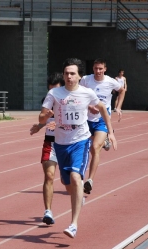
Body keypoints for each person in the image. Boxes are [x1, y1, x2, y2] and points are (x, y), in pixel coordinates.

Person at [39, 58, 117, 238]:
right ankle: (78, 196)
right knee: (67, 185)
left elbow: (103, 109)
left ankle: (73, 224)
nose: (69, 76)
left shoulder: (87, 92)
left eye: (72, 73)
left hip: (80, 141)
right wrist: (45, 117)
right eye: (66, 73)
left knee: (76, 177)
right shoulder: (54, 94)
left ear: (79, 76)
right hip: (60, 143)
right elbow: (41, 118)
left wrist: (111, 132)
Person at [79, 58, 125, 195]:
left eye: (100, 69)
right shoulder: (86, 80)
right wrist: (89, 106)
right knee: (87, 151)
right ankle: (80, 178)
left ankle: (90, 181)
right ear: (92, 69)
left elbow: (122, 90)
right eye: (95, 68)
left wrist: (118, 107)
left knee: (95, 148)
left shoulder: (111, 82)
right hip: (86, 120)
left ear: (105, 69)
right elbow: (78, 94)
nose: (98, 71)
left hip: (102, 120)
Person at [30, 72, 65, 225]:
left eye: (55, 90)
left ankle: (76, 195)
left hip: (68, 143)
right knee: (49, 176)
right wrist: (40, 125)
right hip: (50, 143)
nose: (52, 94)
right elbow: (44, 118)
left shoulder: (70, 102)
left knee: (68, 180)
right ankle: (48, 211)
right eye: (50, 91)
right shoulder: (47, 101)